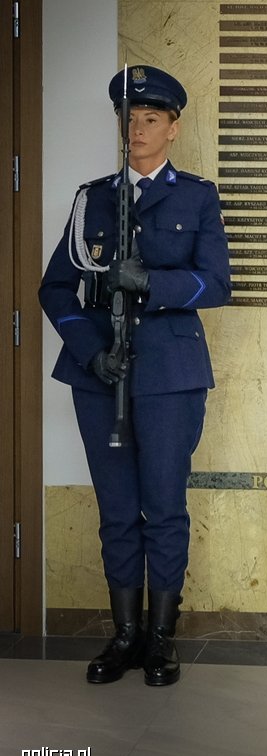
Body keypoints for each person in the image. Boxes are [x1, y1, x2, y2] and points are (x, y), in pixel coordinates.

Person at [39, 65, 231, 686]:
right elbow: (56, 288)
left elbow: (217, 284)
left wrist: (151, 282)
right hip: (101, 376)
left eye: (151, 119)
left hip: (170, 374)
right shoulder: (91, 198)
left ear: (173, 128)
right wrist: (92, 351)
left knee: (163, 507)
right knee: (117, 508)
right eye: (129, 119)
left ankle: (161, 639)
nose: (137, 129)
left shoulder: (196, 196)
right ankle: (124, 635)